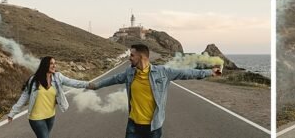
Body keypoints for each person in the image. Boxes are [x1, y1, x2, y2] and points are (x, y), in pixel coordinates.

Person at [89, 44, 221, 138]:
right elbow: (114, 79)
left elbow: (186, 73)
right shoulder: (130, 72)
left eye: (132, 55)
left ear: (142, 57)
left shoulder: (163, 72)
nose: (129, 58)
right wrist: (96, 85)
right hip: (133, 126)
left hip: (153, 128)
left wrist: (210, 72)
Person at [6, 56, 94, 138]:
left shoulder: (58, 77)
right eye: (51, 63)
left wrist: (87, 84)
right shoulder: (33, 80)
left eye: (55, 63)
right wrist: (13, 113)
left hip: (51, 116)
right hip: (36, 117)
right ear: (45, 65)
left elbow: (73, 82)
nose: (54, 66)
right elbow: (24, 96)